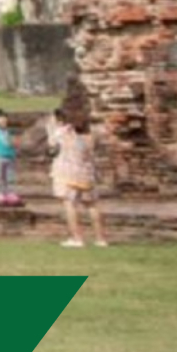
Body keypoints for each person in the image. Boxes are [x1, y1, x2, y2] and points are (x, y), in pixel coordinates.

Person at [46, 88, 108, 248]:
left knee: (70, 204)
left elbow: (52, 145)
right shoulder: (91, 135)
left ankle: (77, 238)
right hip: (87, 172)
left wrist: (52, 125)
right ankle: (100, 238)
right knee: (92, 205)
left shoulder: (64, 133)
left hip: (68, 172)